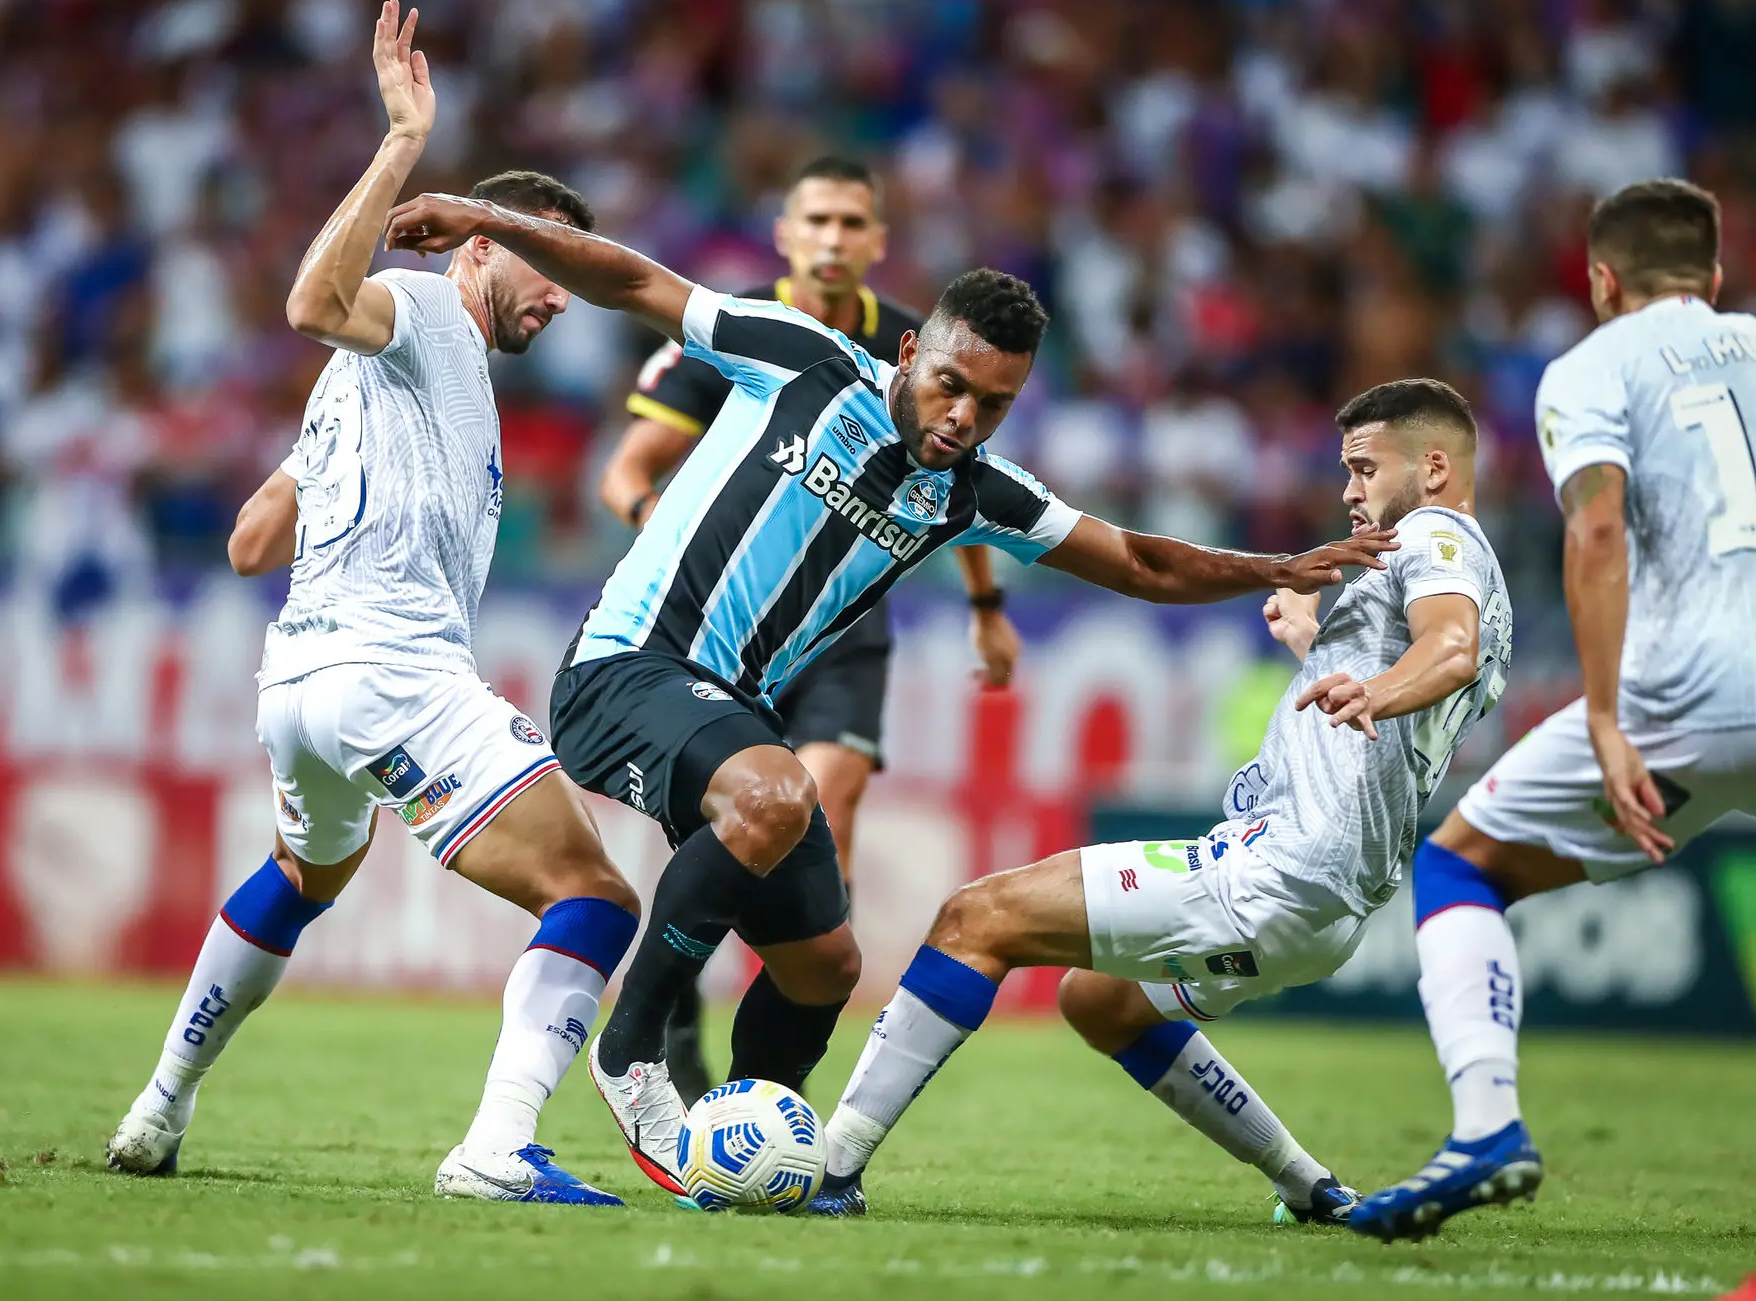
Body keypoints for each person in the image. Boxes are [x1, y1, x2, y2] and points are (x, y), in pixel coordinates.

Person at [384, 188, 1398, 1201]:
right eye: (951, 385)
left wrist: (1270, 567)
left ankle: (741, 1155)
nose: (962, 419)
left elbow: (1136, 558)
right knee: (776, 795)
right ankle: (632, 1046)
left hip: (731, 708)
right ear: (910, 353)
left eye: (992, 405)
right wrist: (489, 218)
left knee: (823, 966)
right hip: (624, 668)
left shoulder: (975, 491)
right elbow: (634, 280)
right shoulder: (801, 360)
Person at [106, 1, 641, 1208]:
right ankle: (497, 1147)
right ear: (478, 248)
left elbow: (250, 541)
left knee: (303, 874)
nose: (561, 297)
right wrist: (402, 143)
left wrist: (330, 467)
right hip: (391, 670)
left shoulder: (378, 386)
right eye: (545, 265)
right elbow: (313, 305)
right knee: (595, 893)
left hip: (296, 682)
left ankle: (159, 1105)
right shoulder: (424, 309)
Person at [813, 378, 1512, 1226]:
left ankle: (831, 1169)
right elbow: (1413, 686)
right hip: (1329, 909)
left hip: (1278, 871)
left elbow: (1449, 649)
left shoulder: (1437, 535)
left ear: (1434, 468)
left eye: (1365, 469)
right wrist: (1318, 648)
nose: (1348, 492)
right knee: (1099, 1001)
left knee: (976, 918)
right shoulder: (1473, 580)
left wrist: (1376, 691)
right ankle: (1310, 1188)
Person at [1349, 179, 1756, 1241]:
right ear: (1714, 277)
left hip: (1688, 693)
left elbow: (1596, 530)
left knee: (1458, 865)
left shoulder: (1589, 368)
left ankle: (1486, 1126)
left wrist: (1608, 720)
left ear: (1601, 280)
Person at [596, 154, 1019, 1103]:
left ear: (877, 240)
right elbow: (626, 470)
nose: (834, 239)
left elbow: (968, 494)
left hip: (839, 630)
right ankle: (676, 1011)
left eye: (851, 223)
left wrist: (986, 608)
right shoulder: (739, 328)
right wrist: (660, 529)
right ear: (785, 235)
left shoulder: (929, 349)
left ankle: (772, 1057)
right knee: (740, 812)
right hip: (717, 622)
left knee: (827, 805)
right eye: (816, 220)